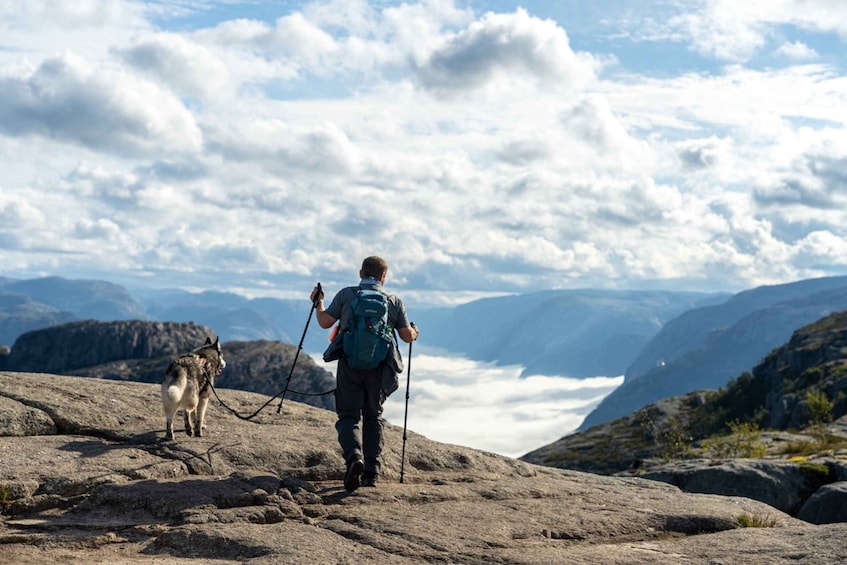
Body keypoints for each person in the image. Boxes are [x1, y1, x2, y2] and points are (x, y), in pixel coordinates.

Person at [310, 256, 418, 491]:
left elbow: (324, 322)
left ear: (361, 273)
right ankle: (371, 474)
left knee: (348, 416)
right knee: (373, 416)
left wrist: (318, 303)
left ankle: (353, 458)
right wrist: (415, 332)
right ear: (383, 276)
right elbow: (406, 336)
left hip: (350, 364)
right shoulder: (393, 300)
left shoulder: (346, 295)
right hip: (379, 368)